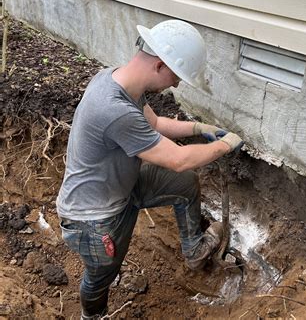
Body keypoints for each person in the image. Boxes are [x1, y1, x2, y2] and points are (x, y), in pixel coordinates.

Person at [56, 19, 243, 319]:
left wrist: (200, 127)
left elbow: (154, 124)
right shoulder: (113, 109)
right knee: (101, 276)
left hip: (120, 187)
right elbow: (177, 159)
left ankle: (194, 250)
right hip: (93, 220)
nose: (177, 84)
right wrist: (225, 145)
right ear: (159, 65)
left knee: (183, 183)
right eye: (176, 76)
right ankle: (92, 316)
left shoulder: (118, 81)